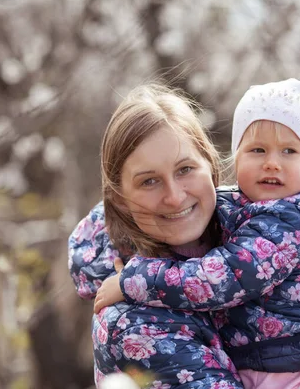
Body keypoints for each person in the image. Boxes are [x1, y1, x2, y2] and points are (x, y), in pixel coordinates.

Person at [94, 73, 300, 388]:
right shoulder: (134, 323)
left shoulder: (288, 222)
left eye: (290, 151)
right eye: (257, 150)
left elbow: (222, 277)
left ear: (210, 166)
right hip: (271, 363)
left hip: (293, 370)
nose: (272, 164)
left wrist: (134, 282)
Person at [68, 84, 243, 388]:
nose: (174, 197)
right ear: (120, 198)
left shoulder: (256, 245)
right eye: (149, 181)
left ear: (210, 166)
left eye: (185, 169)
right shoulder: (132, 323)